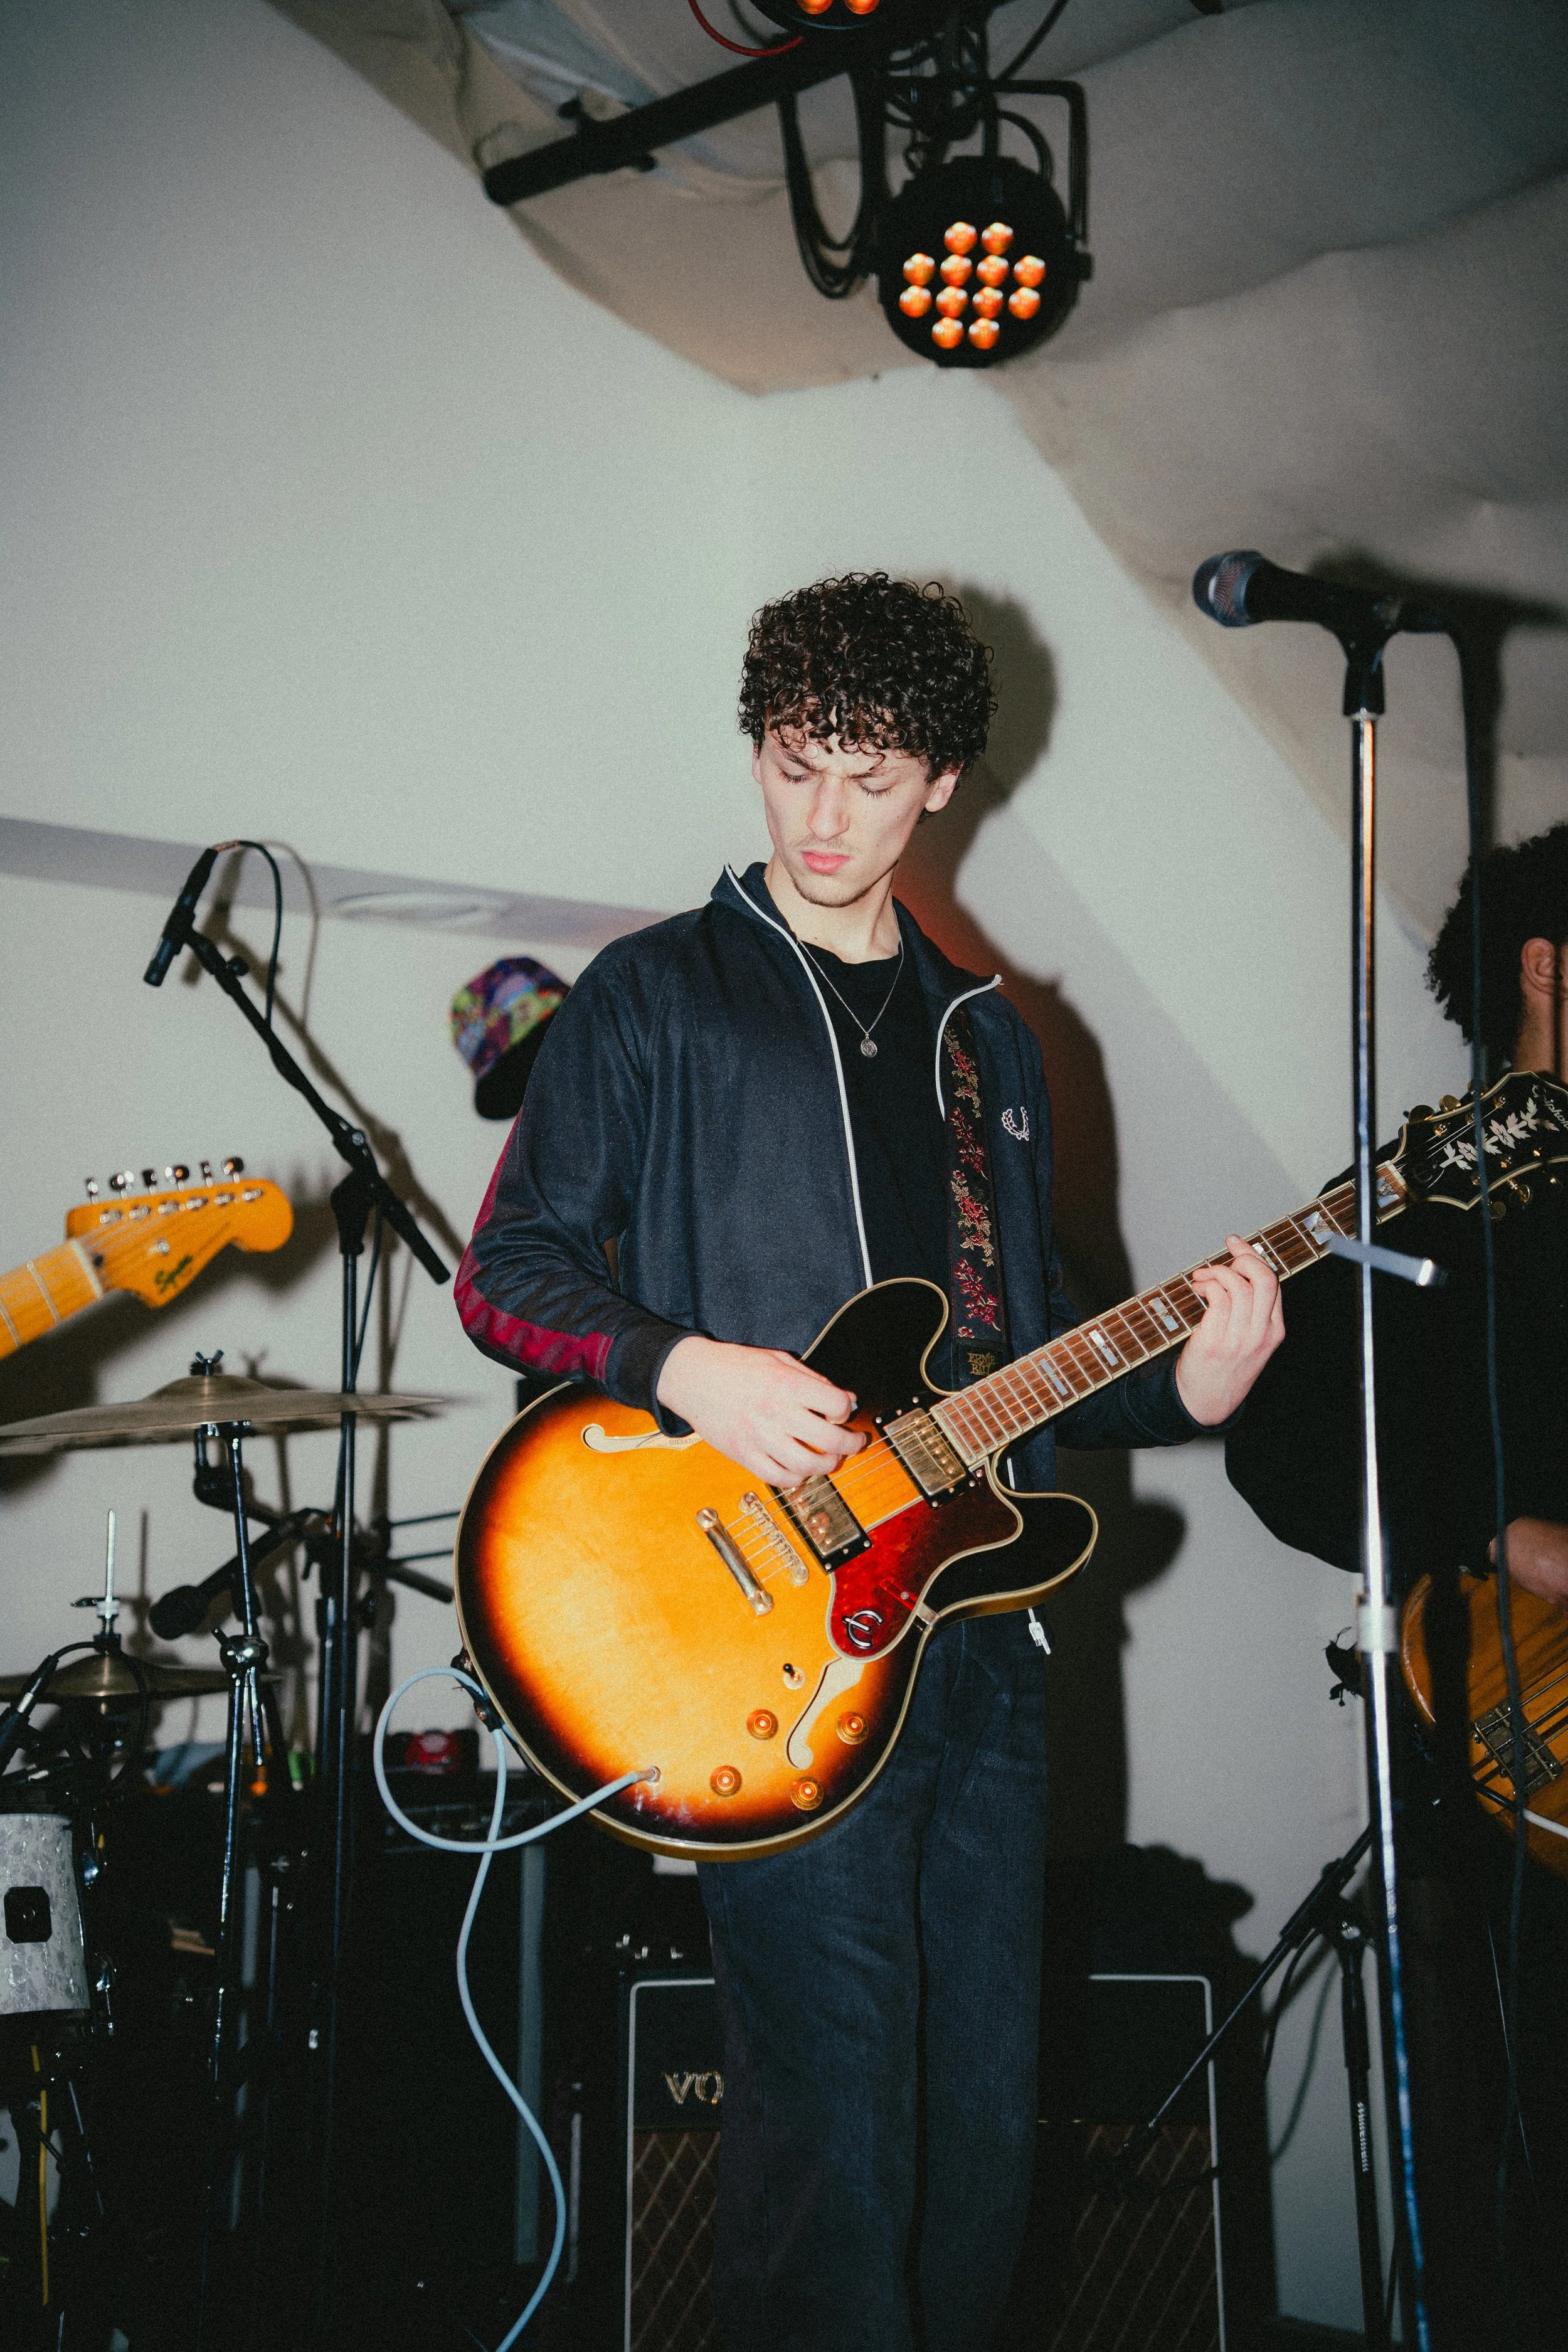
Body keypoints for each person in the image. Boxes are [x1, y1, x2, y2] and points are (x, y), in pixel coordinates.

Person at [457, 573, 1282, 2351]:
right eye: (789, 764)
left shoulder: (994, 1041)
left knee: (980, 2156)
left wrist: (1196, 1385)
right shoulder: (653, 996)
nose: (822, 817)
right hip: (766, 1655)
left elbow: (1033, 1372)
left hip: (978, 1657)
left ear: (942, 786)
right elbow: (504, 1274)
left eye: (867, 774)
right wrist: (692, 1369)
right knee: (832, 2159)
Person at [1225, 820, 1568, 2349]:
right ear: (1543, 970)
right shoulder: (1439, 1193)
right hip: (1507, 1775)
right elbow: (1282, 1448)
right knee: (1524, 2185)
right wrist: (1507, 1535)